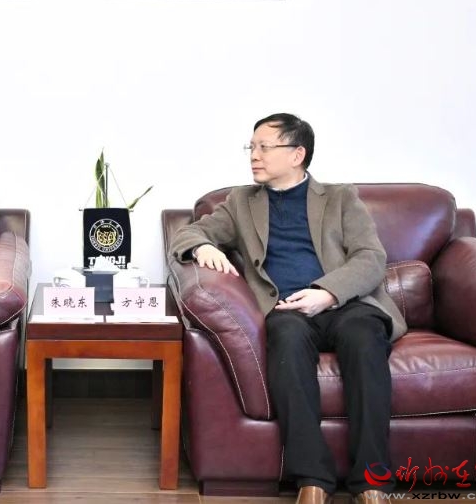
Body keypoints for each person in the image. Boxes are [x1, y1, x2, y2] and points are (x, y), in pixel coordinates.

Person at [169, 113, 405, 504]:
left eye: (264, 147)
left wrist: (326, 293)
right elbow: (189, 232)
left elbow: (370, 257)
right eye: (251, 147)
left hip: (345, 304)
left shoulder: (341, 198)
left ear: (297, 154)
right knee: (286, 341)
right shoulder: (241, 202)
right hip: (287, 308)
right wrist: (203, 245)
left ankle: (372, 481)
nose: (254, 155)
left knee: (364, 339)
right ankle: (312, 479)